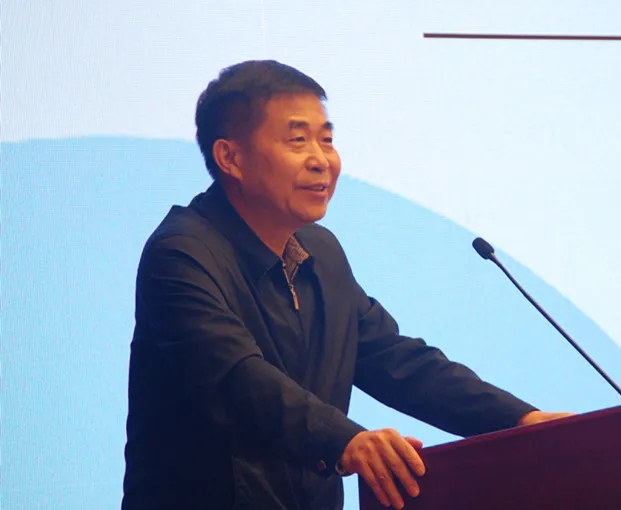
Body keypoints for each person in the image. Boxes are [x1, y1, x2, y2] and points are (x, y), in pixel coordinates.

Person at [121, 60, 570, 510]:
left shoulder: (320, 251)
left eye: (327, 140)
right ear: (230, 158)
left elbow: (396, 361)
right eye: (298, 141)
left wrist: (519, 420)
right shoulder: (182, 254)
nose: (322, 160)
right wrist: (346, 440)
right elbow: (238, 380)